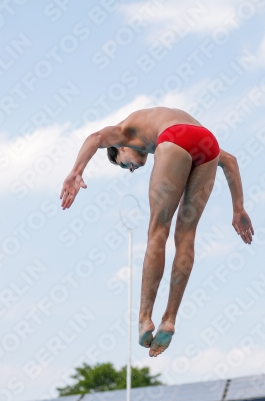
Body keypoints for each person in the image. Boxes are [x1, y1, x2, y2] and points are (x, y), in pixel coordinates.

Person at [60, 107, 254, 357]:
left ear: (121, 148)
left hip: (175, 138)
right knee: (186, 235)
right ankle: (169, 318)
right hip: (208, 141)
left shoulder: (123, 131)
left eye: (124, 165)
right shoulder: (154, 124)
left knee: (157, 231)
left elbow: (95, 138)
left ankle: (144, 318)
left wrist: (76, 171)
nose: (131, 170)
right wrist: (238, 207)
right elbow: (230, 161)